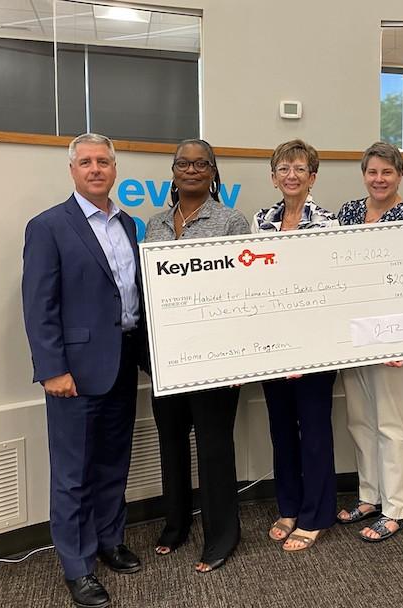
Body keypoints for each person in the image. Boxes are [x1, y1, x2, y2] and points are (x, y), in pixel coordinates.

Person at [22, 133, 144, 608]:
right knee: (71, 473)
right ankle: (77, 566)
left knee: (114, 462)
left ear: (115, 169)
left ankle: (110, 540)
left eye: (104, 162)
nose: (96, 169)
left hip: (122, 364)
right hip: (72, 374)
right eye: (86, 162)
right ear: (72, 170)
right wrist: (52, 368)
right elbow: (39, 305)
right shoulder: (49, 226)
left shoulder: (128, 224)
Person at [144, 139, 250, 572]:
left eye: (200, 163)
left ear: (213, 171)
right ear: (172, 170)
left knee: (213, 447)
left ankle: (222, 536)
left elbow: (245, 291)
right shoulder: (154, 223)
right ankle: (176, 525)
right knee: (171, 444)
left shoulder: (231, 220)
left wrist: (239, 358)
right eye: (183, 163)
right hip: (166, 356)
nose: (191, 169)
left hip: (215, 357)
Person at [336, 142, 403, 542]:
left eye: (387, 173)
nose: (379, 179)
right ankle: (369, 496)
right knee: (360, 420)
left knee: (393, 425)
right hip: (354, 336)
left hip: (396, 343)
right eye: (372, 172)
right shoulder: (349, 213)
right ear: (364, 174)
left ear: (400, 176)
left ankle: (395, 508)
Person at [253, 139, 339, 552]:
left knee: (315, 430)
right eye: (283, 168)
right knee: (281, 428)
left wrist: (306, 343)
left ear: (312, 177)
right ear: (273, 177)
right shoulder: (259, 222)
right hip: (272, 346)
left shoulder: (328, 223)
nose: (291, 175)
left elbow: (330, 288)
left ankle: (316, 515)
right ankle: (288, 507)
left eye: (300, 169)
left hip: (315, 345)